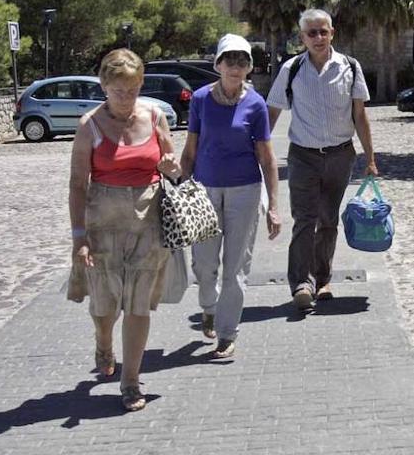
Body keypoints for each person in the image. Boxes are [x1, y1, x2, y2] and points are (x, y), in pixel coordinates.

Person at [68, 48, 181, 412]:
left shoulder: (154, 115)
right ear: (103, 86)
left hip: (148, 220)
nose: (125, 97)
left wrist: (170, 165)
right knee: (105, 305)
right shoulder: (90, 125)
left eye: (131, 89)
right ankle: (103, 339)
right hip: (103, 222)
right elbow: (77, 185)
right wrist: (79, 237)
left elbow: (174, 169)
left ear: (140, 84)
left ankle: (130, 380)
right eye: (118, 90)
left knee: (137, 303)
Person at [266, 9, 378, 311]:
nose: (318, 37)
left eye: (323, 32)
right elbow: (272, 111)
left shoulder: (350, 67)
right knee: (305, 220)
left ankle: (323, 279)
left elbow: (360, 115)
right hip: (303, 156)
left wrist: (370, 158)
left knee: (328, 220)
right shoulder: (291, 69)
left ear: (332, 33)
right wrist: (258, 151)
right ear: (302, 37)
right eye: (311, 33)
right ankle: (301, 283)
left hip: (340, 155)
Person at [178, 34, 282, 358]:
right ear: (218, 64)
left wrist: (274, 207)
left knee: (236, 266)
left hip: (245, 191)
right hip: (204, 191)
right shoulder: (199, 100)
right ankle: (208, 307)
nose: (236, 67)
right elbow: (190, 151)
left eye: (242, 61)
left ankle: (227, 332)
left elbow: (267, 158)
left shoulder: (256, 104)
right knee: (204, 264)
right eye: (230, 60)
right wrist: (180, 192)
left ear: (249, 67)